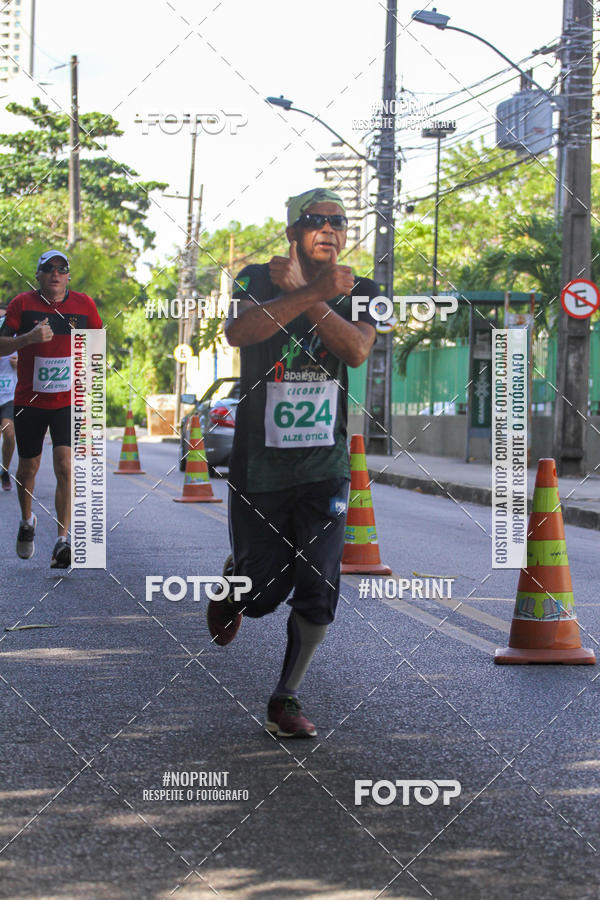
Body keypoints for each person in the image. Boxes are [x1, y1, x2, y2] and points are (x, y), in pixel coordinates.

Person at [207, 188, 378, 738]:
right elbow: (240, 333)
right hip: (261, 469)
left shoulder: (362, 290)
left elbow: (355, 350)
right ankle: (236, 581)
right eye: (315, 221)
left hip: (325, 467)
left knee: (318, 582)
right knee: (262, 597)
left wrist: (316, 296)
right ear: (292, 231)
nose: (329, 228)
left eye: (338, 221)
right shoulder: (257, 277)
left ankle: (286, 697)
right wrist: (302, 293)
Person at [0, 250, 102, 567]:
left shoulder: (84, 305)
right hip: (29, 400)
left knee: (65, 464)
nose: (55, 274)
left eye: (62, 269)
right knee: (28, 468)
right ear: (39, 275)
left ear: (68, 276)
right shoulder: (21, 304)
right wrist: (28, 338)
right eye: (49, 269)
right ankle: (27, 522)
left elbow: (98, 345)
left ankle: (62, 541)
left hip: (67, 400)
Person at [0, 304, 18, 491]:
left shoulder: (16, 342)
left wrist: (18, 365)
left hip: (8, 395)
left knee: (9, 432)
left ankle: (5, 470)